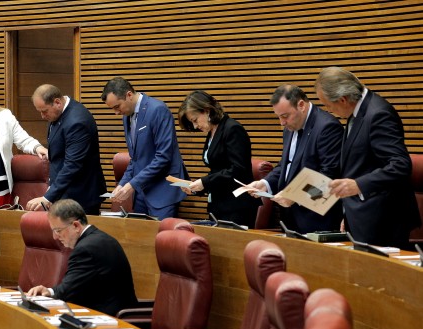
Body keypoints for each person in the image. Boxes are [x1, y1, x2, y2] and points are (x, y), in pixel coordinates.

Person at [315, 66, 420, 248]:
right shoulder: (356, 112)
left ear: (342, 99)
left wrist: (359, 185)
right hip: (363, 217)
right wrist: (348, 215)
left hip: (384, 221)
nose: (329, 111)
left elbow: (400, 165)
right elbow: (359, 164)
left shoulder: (379, 114)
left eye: (329, 106)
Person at [246, 84, 344, 233]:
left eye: (285, 116)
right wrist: (265, 183)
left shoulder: (327, 127)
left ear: (301, 105)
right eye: (279, 117)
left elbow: (329, 178)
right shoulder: (290, 128)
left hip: (317, 223)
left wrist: (296, 196)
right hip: (290, 220)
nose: (282, 123)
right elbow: (286, 167)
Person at [27, 199, 138, 316]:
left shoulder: (85, 249)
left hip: (111, 319)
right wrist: (49, 291)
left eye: (58, 231)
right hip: (114, 313)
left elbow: (67, 291)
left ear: (76, 226)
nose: (55, 237)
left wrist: (48, 292)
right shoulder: (100, 239)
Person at [101, 77, 187, 220]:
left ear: (129, 95)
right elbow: (135, 158)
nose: (116, 112)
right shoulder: (126, 116)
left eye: (117, 107)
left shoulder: (157, 110)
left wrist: (132, 184)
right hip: (141, 192)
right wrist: (122, 184)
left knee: (160, 239)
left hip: (162, 191)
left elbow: (163, 157)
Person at [177, 90, 259, 227]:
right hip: (219, 206)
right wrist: (198, 187)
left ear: (207, 110)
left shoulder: (232, 129)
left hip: (236, 207)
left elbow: (238, 169)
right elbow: (218, 170)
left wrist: (205, 182)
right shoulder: (212, 132)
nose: (195, 126)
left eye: (195, 120)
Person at [26, 84, 106, 215]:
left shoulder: (77, 122)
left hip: (80, 197)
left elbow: (72, 165)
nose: (42, 116)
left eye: (44, 111)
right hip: (65, 194)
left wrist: (48, 197)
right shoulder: (58, 113)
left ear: (57, 102)